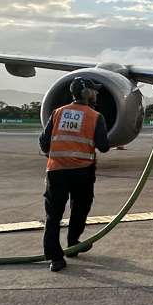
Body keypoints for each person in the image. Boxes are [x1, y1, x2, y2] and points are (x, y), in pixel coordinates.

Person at [39, 77, 110, 271]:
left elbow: (44, 142)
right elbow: (103, 147)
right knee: (80, 209)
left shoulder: (57, 113)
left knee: (53, 215)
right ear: (86, 93)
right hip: (82, 172)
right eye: (94, 91)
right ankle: (73, 242)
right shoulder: (95, 116)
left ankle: (55, 259)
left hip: (56, 171)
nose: (96, 94)